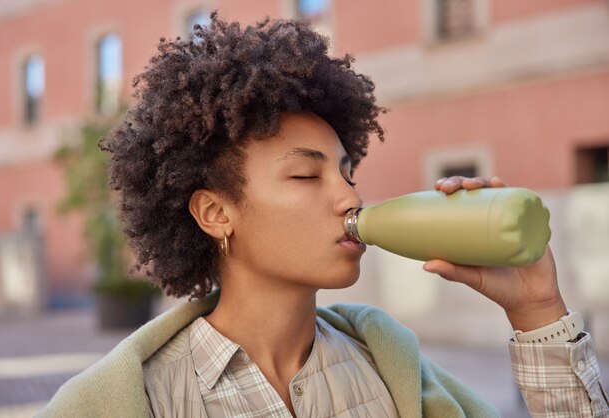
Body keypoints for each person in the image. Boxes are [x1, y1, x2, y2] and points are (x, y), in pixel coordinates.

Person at [38, 13, 608, 418]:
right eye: (307, 175)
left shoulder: (394, 372)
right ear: (215, 212)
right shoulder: (137, 400)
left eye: (347, 171)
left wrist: (537, 311)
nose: (348, 198)